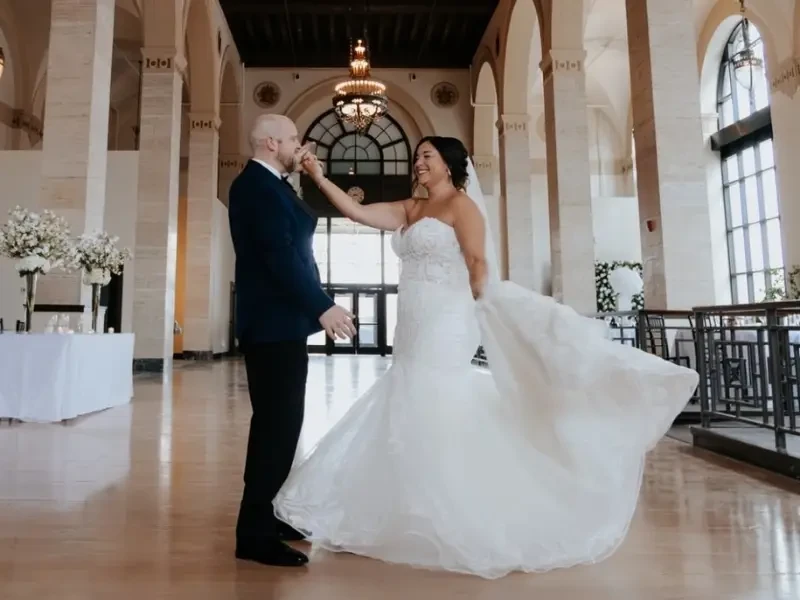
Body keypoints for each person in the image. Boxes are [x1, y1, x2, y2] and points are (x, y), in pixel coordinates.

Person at [273, 135, 699, 579]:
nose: (418, 163)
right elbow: (357, 212)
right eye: (417, 156)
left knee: (435, 396)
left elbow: (477, 262)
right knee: (408, 395)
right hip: (412, 321)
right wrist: (320, 178)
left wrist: (491, 306)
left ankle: (453, 510)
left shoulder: (462, 206)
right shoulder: (409, 208)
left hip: (448, 319)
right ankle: (410, 507)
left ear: (449, 164)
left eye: (427, 156)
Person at [227, 114, 356, 567]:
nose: (300, 145)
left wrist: (306, 173)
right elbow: (280, 258)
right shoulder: (254, 188)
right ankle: (254, 533)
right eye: (294, 139)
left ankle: (269, 514)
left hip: (281, 323)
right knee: (276, 429)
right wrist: (323, 305)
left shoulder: (274, 184)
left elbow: (293, 241)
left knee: (281, 428)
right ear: (269, 142)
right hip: (271, 324)